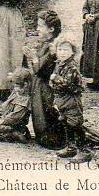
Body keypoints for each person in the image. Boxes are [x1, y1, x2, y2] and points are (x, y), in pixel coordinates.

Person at [50, 37, 99, 161]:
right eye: (60, 49)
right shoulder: (59, 64)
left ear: (72, 52)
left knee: (75, 124)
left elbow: (68, 84)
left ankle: (84, 150)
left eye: (66, 50)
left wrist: (55, 79)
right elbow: (53, 83)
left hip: (71, 99)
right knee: (65, 122)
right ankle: (71, 147)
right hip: (61, 99)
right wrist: (54, 81)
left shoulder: (72, 67)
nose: (62, 52)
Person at [27, 10, 65, 149]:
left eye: (40, 26)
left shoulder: (52, 47)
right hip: (39, 85)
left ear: (51, 29)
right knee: (39, 112)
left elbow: (41, 70)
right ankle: (44, 135)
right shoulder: (45, 44)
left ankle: (52, 138)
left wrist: (33, 57)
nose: (37, 29)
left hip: (45, 87)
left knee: (46, 112)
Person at [0, 68, 32, 143]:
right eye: (15, 86)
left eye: (18, 86)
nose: (16, 89)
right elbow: (5, 106)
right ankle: (18, 134)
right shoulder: (16, 93)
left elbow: (15, 117)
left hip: (14, 124)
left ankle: (12, 135)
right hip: (8, 122)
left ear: (26, 84)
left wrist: (2, 121)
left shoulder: (25, 99)